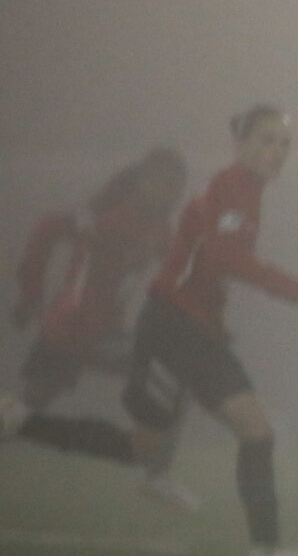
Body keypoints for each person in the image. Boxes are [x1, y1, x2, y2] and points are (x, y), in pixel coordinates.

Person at [119, 107, 298, 556]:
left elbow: (205, 258)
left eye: (283, 144)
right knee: (256, 431)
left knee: (212, 420)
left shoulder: (237, 188)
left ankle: (158, 477)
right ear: (241, 144)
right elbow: (230, 257)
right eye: (265, 140)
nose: (276, 152)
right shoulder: (235, 188)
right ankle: (266, 554)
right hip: (177, 322)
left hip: (179, 320)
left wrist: (211, 316)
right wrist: (297, 290)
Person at [0, 147, 199, 508]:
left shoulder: (159, 227)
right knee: (174, 373)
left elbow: (175, 270)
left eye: (178, 186)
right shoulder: (106, 217)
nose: (173, 193)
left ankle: (156, 475)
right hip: (74, 329)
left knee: (25, 410)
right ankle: (156, 476)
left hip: (96, 331)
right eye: (166, 183)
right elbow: (47, 228)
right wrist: (30, 295)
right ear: (143, 182)